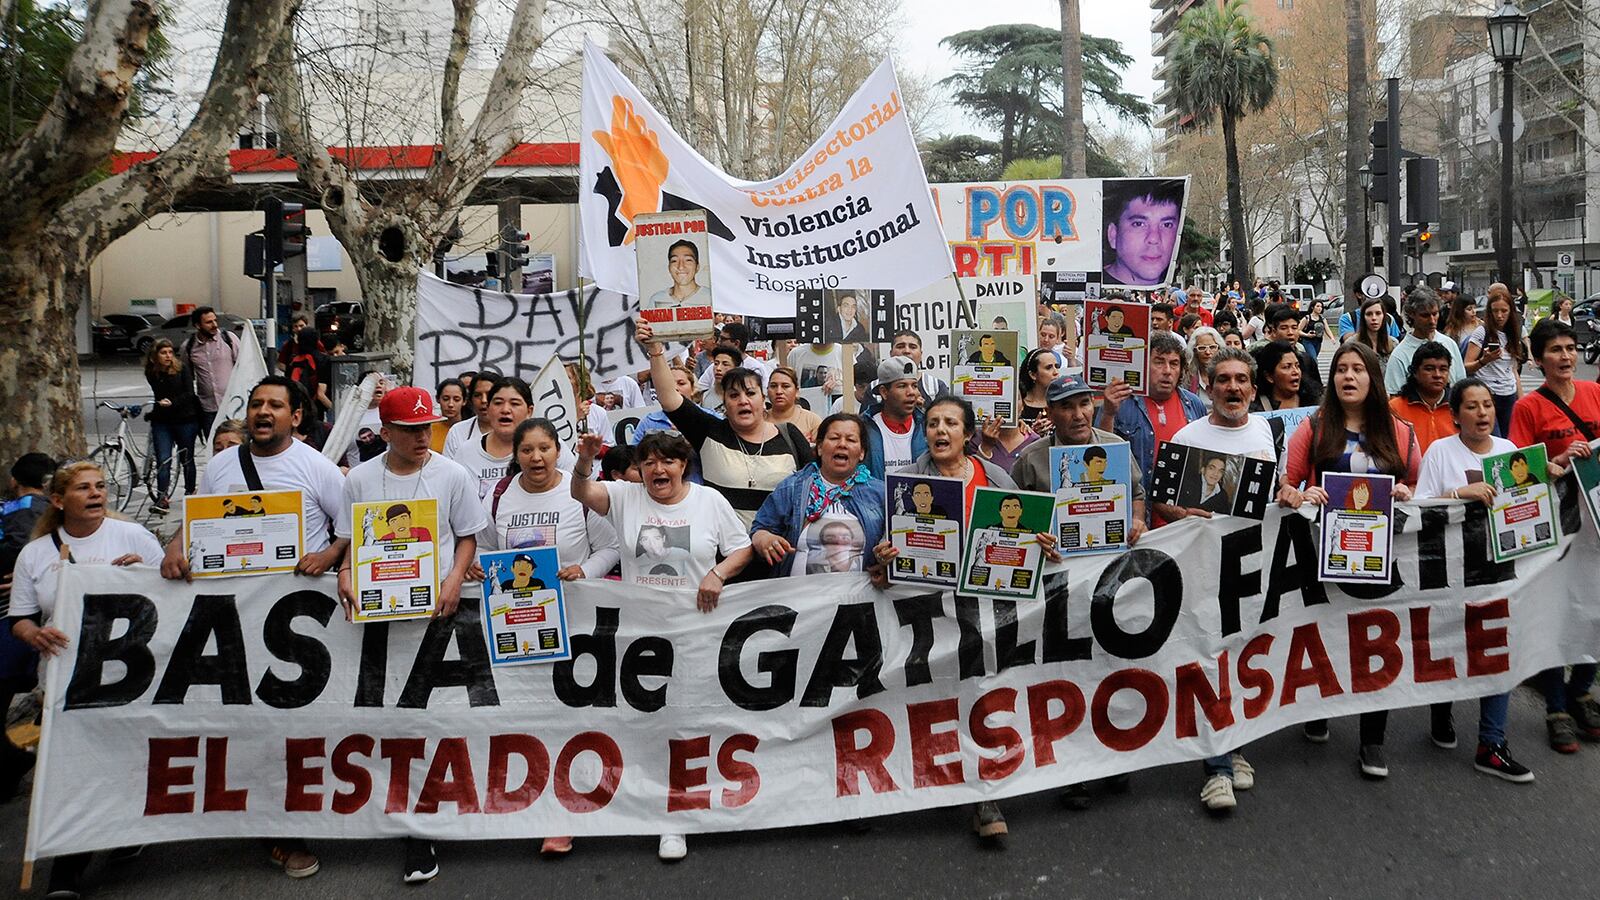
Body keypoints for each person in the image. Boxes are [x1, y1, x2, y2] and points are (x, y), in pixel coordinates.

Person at [871, 394, 1060, 840]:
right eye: (933, 422)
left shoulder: (994, 476)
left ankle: (984, 795)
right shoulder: (905, 481)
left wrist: (1045, 546)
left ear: (967, 433)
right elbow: (887, 549)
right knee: (934, 698)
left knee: (982, 694)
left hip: (982, 607)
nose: (940, 431)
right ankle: (927, 783)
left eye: (950, 423)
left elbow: (1021, 533)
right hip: (926, 608)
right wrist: (885, 557)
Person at [569, 429, 751, 862]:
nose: (657, 469)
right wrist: (584, 460)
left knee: (687, 721)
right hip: (639, 635)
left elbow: (741, 548)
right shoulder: (626, 497)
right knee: (647, 723)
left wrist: (718, 574)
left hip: (695, 632)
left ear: (683, 465)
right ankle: (652, 807)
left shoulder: (709, 502)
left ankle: (682, 813)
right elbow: (581, 491)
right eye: (648, 462)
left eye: (667, 461)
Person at [335, 385, 487, 885]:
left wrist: (450, 579)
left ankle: (428, 826)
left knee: (438, 720)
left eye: (427, 427)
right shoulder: (359, 479)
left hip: (439, 616)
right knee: (390, 723)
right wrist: (345, 573)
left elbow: (467, 536)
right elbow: (352, 542)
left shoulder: (452, 474)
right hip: (380, 620)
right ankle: (402, 819)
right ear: (385, 433)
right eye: (410, 429)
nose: (423, 436)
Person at [9, 462, 164, 895]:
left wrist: (146, 573)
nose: (96, 494)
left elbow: (176, 587)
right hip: (65, 679)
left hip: (129, 676)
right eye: (83, 488)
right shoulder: (35, 555)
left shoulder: (133, 537)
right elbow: (19, 618)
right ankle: (66, 871)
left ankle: (125, 831)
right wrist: (35, 634)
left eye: (100, 486)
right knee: (74, 770)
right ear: (58, 501)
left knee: (128, 759)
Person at [1279, 341, 1419, 780]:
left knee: (1376, 644)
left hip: (1382, 560)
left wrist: (1406, 494)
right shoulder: (1315, 426)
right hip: (1322, 555)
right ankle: (1318, 710)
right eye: (1341, 369)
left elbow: (1419, 485)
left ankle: (1371, 739)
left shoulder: (1401, 432)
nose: (1349, 377)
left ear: (1373, 378)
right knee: (1325, 638)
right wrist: (1299, 493)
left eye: (1359, 369)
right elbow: (1288, 483)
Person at [1413, 377, 1534, 783]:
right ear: (1454, 415)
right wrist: (1458, 494)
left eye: (1487, 405)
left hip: (1499, 571)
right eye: (1472, 406)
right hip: (1450, 571)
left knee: (1498, 649)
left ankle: (1491, 743)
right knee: (1450, 645)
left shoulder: (1511, 453)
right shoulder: (1439, 452)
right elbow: (1419, 509)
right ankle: (1441, 708)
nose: (1483, 412)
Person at [1508, 317, 1600, 752]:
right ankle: (1557, 706)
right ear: (1539, 358)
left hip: (1596, 524)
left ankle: (1583, 690)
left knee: (1595, 609)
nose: (1566, 356)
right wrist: (1561, 459)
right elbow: (1518, 471)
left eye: (1570, 348)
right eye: (1556, 350)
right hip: (1557, 529)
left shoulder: (1594, 393)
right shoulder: (1529, 408)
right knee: (1554, 613)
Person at [161, 376, 347, 582]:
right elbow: (197, 519)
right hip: (233, 592)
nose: (263, 411)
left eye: (275, 405)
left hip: (296, 595)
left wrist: (329, 555)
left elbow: (351, 525)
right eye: (256, 405)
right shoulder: (219, 464)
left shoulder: (318, 467)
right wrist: (175, 546)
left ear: (295, 417)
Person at [640, 320, 813, 532]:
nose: (743, 401)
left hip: (779, 554)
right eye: (733, 395)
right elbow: (669, 398)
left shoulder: (789, 436)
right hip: (724, 555)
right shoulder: (709, 431)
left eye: (750, 393)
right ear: (725, 403)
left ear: (763, 398)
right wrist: (656, 351)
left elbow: (815, 488)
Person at [751, 413, 885, 577]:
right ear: (820, 448)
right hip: (797, 598)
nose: (842, 444)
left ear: (862, 452)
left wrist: (885, 565)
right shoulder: (792, 487)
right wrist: (765, 540)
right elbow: (759, 530)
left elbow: (896, 545)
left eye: (851, 440)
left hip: (856, 599)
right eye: (834, 438)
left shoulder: (880, 494)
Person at [0, 452, 53, 801]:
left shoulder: (21, 511)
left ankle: (14, 765)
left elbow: (22, 555)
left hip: (13, 629)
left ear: (15, 481)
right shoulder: (51, 512)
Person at [1100, 333, 1205, 499]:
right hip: (1138, 510)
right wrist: (1108, 413)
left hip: (1182, 509)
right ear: (1143, 366)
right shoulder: (1120, 402)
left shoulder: (1194, 404)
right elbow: (1101, 454)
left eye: (1174, 363)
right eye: (1159, 362)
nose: (1167, 371)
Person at [449, 376, 531, 498]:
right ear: (488, 408)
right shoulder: (466, 453)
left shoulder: (548, 446)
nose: (505, 410)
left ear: (529, 411)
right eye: (498, 403)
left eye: (514, 404)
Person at [144, 337, 201, 512]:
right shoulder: (152, 372)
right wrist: (153, 413)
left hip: (185, 418)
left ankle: (190, 492)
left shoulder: (182, 368)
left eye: (170, 352)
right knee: (163, 460)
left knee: (187, 459)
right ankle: (162, 497)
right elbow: (158, 395)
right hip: (162, 421)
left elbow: (190, 393)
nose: (168, 356)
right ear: (155, 356)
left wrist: (173, 403)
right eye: (163, 353)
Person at [1463, 283, 1525, 438]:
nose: (1499, 315)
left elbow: (1513, 370)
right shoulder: (1481, 332)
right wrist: (1484, 360)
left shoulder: (1514, 334)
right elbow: (1466, 366)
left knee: (1508, 441)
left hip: (1509, 395)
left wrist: (1522, 400)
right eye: (1495, 311)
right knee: (1493, 439)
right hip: (1487, 395)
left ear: (1511, 312)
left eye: (1504, 311)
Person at [1100, 179, 1182, 287]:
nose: (1154, 238)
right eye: (1139, 224)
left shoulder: (1172, 291)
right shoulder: (1093, 291)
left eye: (1167, 225)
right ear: (1113, 235)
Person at [1385, 286, 1466, 393]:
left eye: (1435, 314)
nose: (1432, 320)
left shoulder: (1449, 344)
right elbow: (1394, 395)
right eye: (1425, 315)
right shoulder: (1400, 354)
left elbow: (1461, 385)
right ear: (1412, 314)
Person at [862, 356, 927, 478]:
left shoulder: (926, 427)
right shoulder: (864, 428)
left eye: (914, 385)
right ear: (884, 392)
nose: (911, 392)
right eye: (902, 386)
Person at [1389, 341, 1456, 453]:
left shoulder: (1459, 407)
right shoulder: (1395, 408)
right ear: (1415, 372)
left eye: (1443, 369)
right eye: (1429, 369)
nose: (1437, 375)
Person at [182, 306, 240, 435]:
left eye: (215, 320)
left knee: (237, 443)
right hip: (208, 408)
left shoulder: (229, 339)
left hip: (232, 405)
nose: (214, 325)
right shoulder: (189, 346)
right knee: (213, 445)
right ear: (197, 325)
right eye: (209, 322)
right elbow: (187, 375)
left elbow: (242, 366)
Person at [1250, 340, 1318, 411]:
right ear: (1269, 376)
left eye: (1297, 366)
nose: (1296, 371)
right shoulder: (1255, 408)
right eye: (1287, 367)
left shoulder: (1316, 401)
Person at [283, 326, 333, 422]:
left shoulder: (292, 360)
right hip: (316, 408)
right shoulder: (323, 359)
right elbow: (321, 391)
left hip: (296, 406)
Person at [442, 373, 496, 457]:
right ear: (470, 400)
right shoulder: (458, 431)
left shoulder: (513, 430)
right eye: (477, 395)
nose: (484, 400)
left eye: (489, 394)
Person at [890, 330, 950, 403]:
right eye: (900, 346)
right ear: (891, 353)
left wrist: (920, 409)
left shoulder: (936, 387)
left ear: (921, 354)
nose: (906, 351)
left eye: (912, 347)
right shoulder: (875, 386)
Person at [765, 365, 822, 442]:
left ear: (797, 391)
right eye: (773, 386)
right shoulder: (759, 420)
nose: (779, 391)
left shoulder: (812, 421)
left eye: (785, 386)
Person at [648, 239, 707, 308]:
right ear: (669, 268)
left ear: (697, 267)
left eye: (688, 260)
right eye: (674, 261)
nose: (681, 267)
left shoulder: (709, 296)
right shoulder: (656, 299)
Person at [1018, 347, 1060, 435]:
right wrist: (1032, 434)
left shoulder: (1060, 402)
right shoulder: (1019, 405)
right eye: (1049, 368)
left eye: (1057, 366)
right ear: (1033, 374)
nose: (1056, 372)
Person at [1349, 296, 1398, 369]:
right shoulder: (1351, 344)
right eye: (1369, 314)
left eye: (1378, 313)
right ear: (1363, 317)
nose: (1374, 318)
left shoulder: (1393, 344)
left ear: (1384, 316)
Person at [430, 377, 468, 452]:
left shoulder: (472, 428)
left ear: (464, 401)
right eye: (445, 399)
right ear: (437, 399)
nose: (450, 404)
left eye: (456, 399)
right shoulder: (429, 430)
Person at [1186, 326, 1223, 400]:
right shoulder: (1187, 379)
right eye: (1202, 348)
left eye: (1212, 347)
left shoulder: (1227, 376)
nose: (1208, 352)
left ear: (1219, 349)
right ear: (1194, 351)